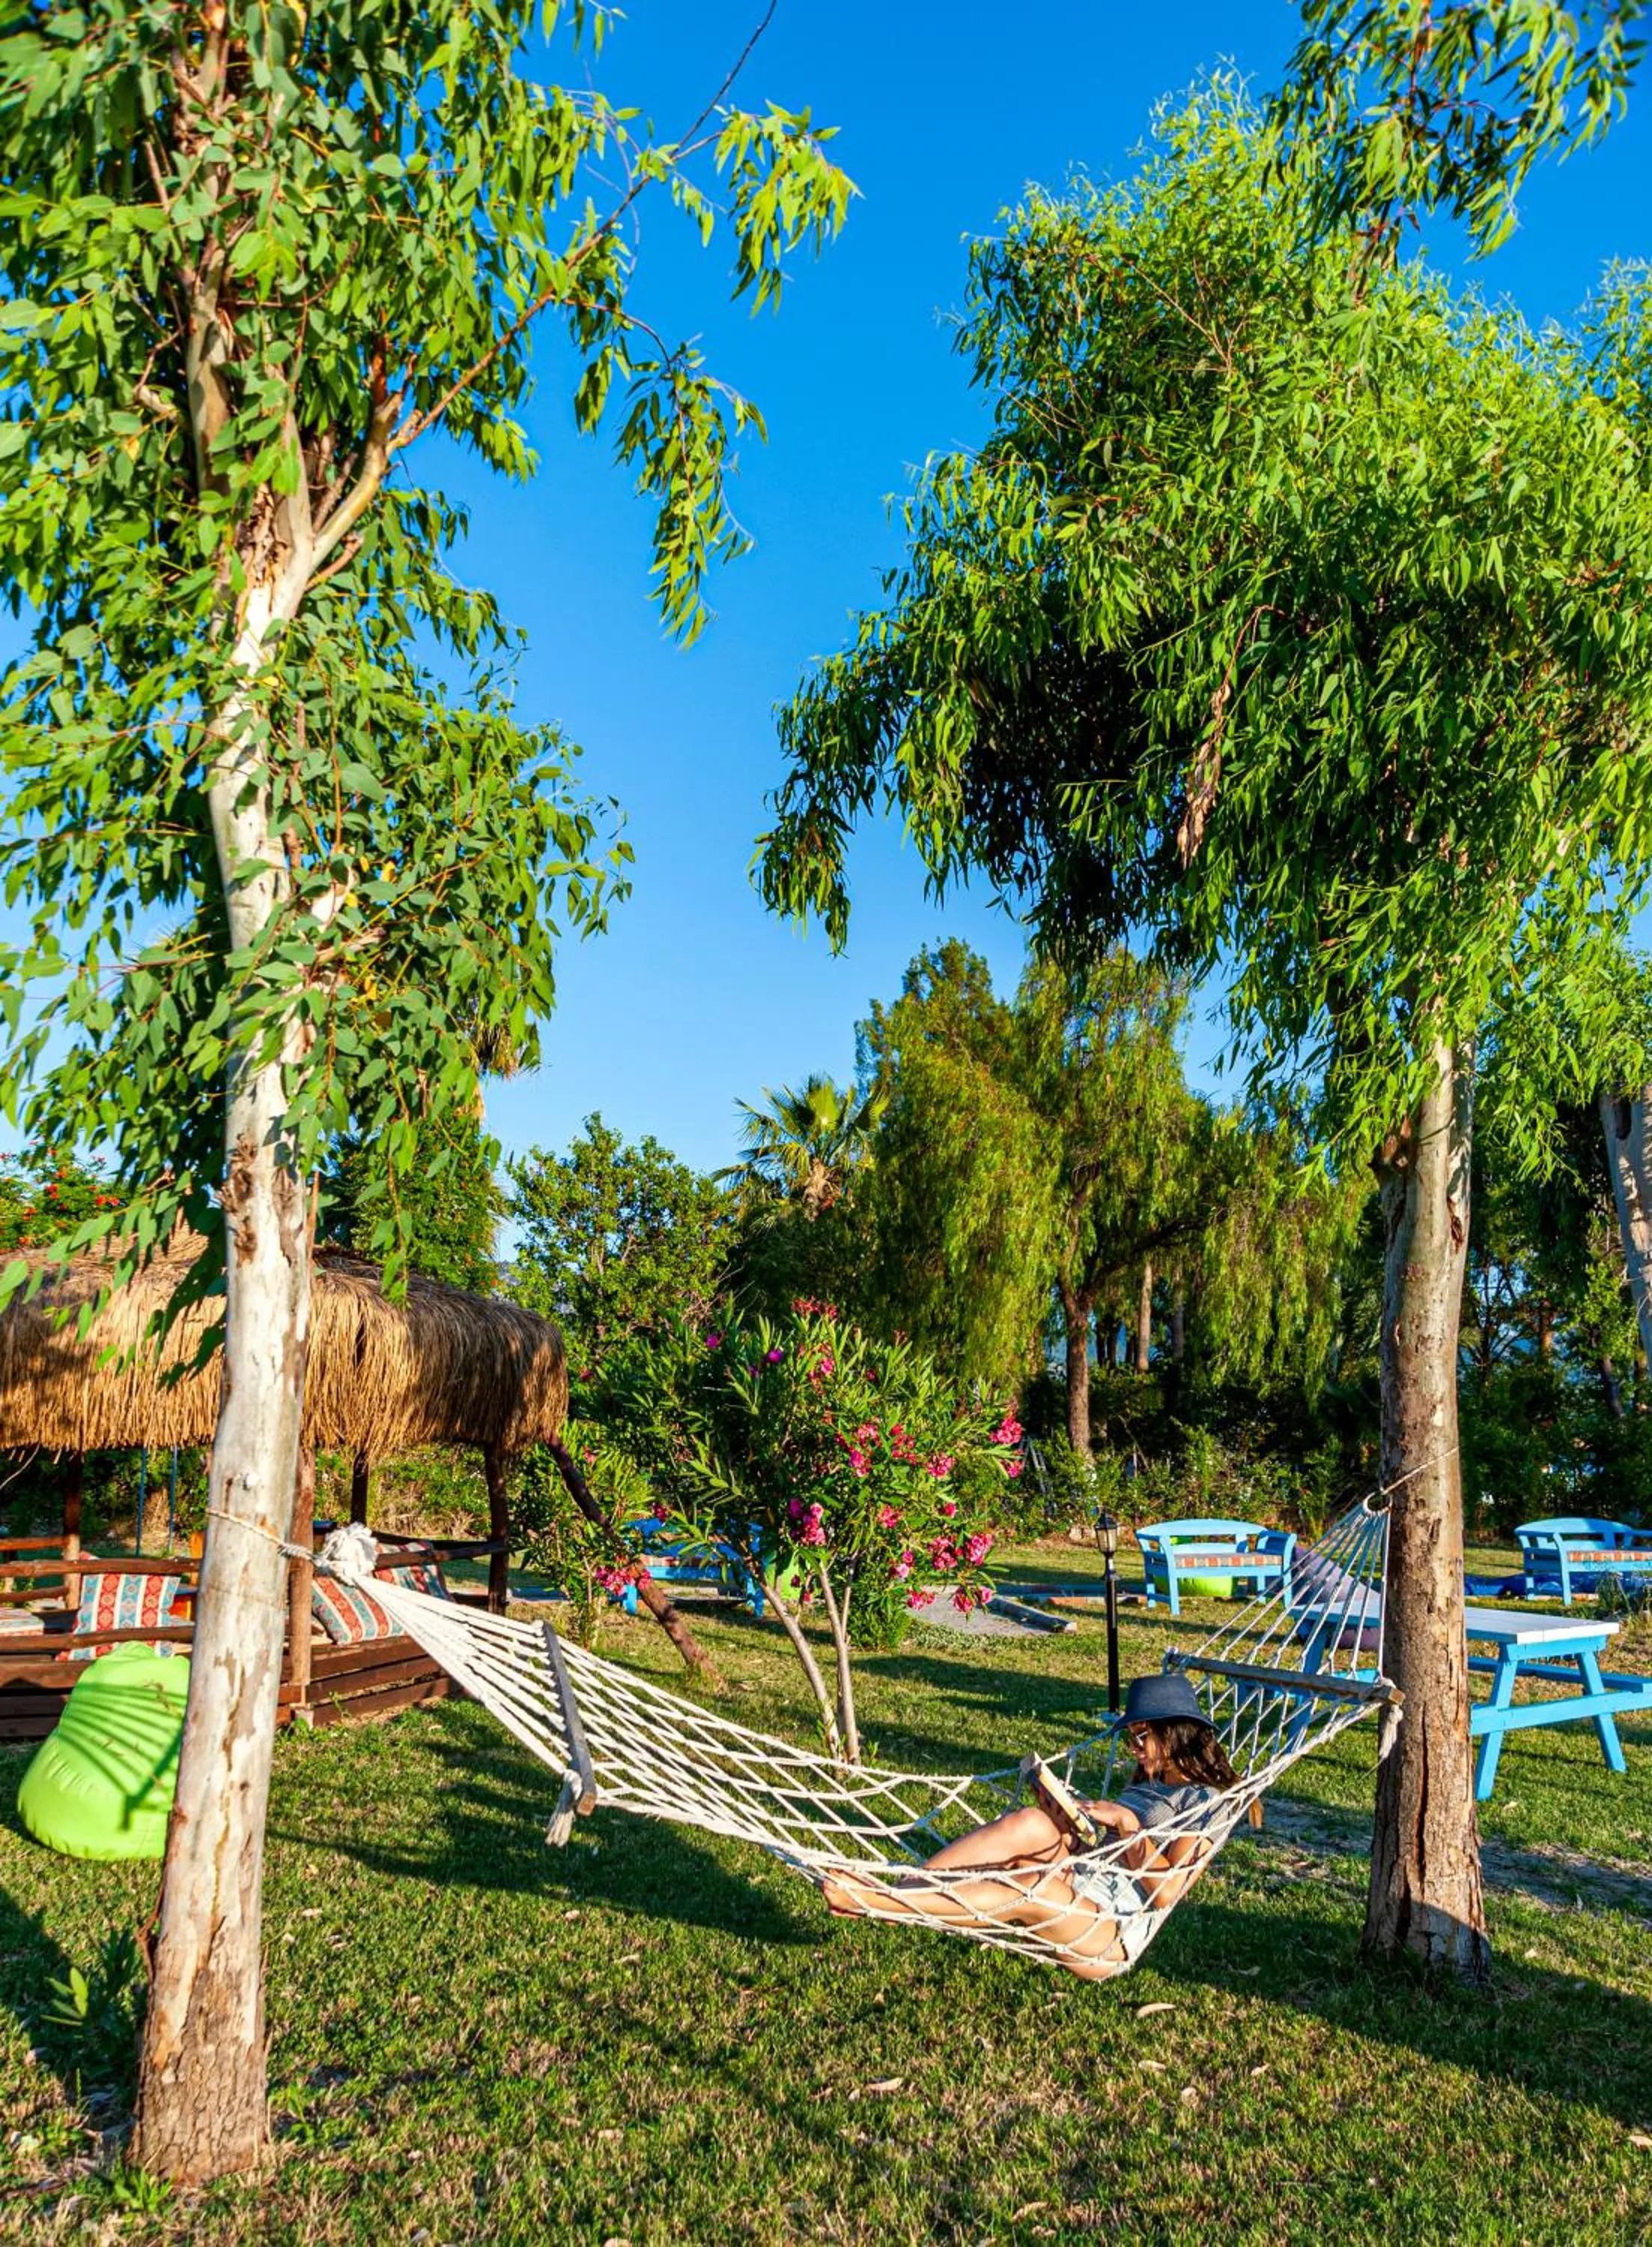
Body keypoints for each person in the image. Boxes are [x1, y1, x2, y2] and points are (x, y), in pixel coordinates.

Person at [821, 1673, 1240, 1980]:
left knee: (1029, 1888)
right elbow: (1100, 1847)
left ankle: (881, 1902)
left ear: (1175, 1732)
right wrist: (1066, 1826)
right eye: (1130, 1737)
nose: (1133, 1748)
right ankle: (912, 1890)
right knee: (1031, 1821)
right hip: (1080, 1876)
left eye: (1140, 1736)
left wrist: (1129, 1826)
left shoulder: (1206, 1803)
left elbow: (1168, 1892)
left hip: (1108, 1927)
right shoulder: (1147, 1780)